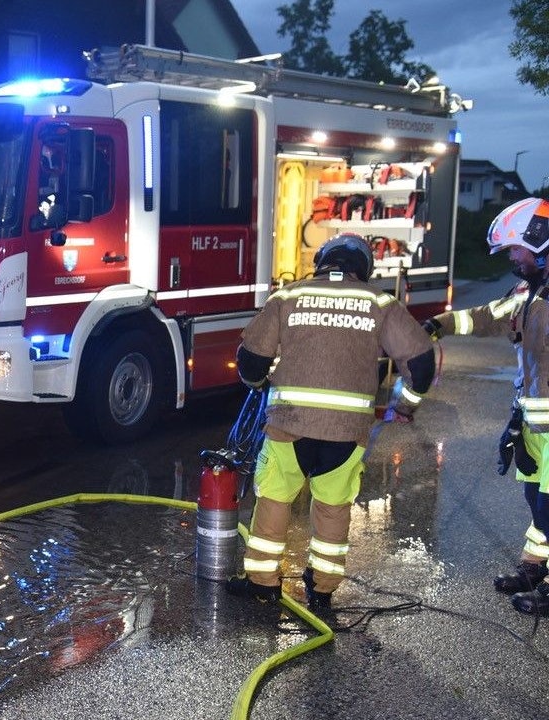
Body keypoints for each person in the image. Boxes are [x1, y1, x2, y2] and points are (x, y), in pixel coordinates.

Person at [225, 233, 436, 611]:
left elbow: (250, 361)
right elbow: (420, 364)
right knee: (332, 508)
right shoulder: (380, 302)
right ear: (363, 269)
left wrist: (259, 385)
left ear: (321, 262)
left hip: (288, 426)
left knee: (274, 500)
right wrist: (405, 405)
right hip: (346, 434)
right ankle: (321, 590)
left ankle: (263, 584)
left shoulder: (288, 297)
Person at [433, 198, 549, 615]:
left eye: (516, 248)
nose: (513, 258)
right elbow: (488, 316)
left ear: (540, 239)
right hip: (535, 422)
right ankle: (536, 566)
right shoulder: (530, 291)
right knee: (538, 498)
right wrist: (439, 324)